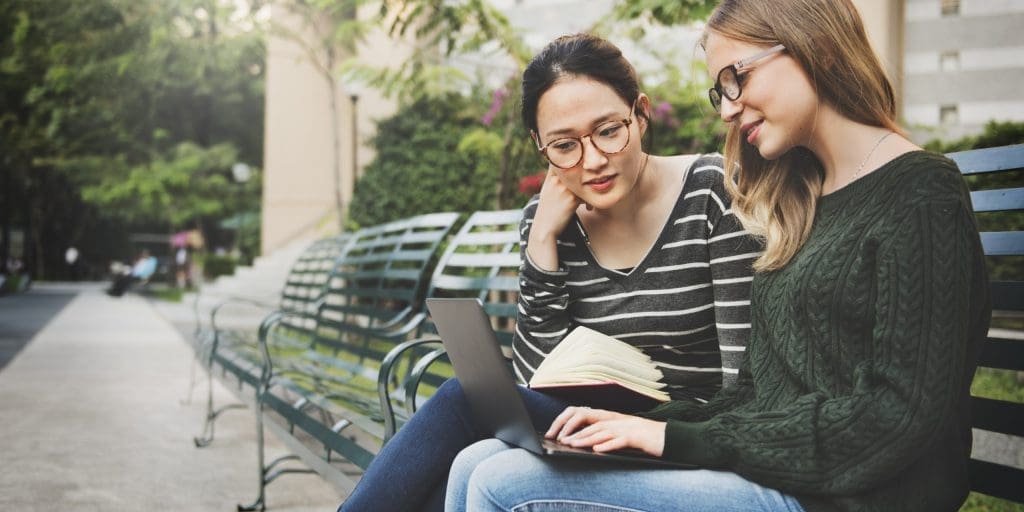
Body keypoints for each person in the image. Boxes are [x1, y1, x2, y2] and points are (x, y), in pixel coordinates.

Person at [445, 1, 991, 511]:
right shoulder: (802, 199)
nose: (728, 108)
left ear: (817, 47)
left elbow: (899, 416)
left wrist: (670, 436)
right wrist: (634, 427)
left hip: (847, 496)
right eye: (720, 90)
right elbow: (756, 392)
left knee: (502, 484)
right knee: (478, 459)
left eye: (739, 78)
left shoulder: (920, 193)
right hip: (776, 473)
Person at [337, 33, 760, 512]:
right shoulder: (548, 222)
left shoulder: (713, 194)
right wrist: (542, 245)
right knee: (472, 461)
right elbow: (536, 377)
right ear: (540, 147)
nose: (593, 160)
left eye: (608, 130)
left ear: (640, 113)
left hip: (684, 433)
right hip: (583, 425)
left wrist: (661, 432)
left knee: (462, 401)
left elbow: (742, 380)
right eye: (565, 145)